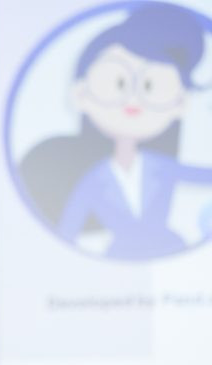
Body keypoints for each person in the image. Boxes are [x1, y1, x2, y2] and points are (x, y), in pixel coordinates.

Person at [20, 4, 212, 259]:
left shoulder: (160, 167)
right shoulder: (93, 179)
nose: (133, 99)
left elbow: (202, 177)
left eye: (150, 86)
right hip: (111, 263)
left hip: (174, 260)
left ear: (180, 102)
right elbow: (67, 231)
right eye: (118, 83)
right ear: (80, 94)